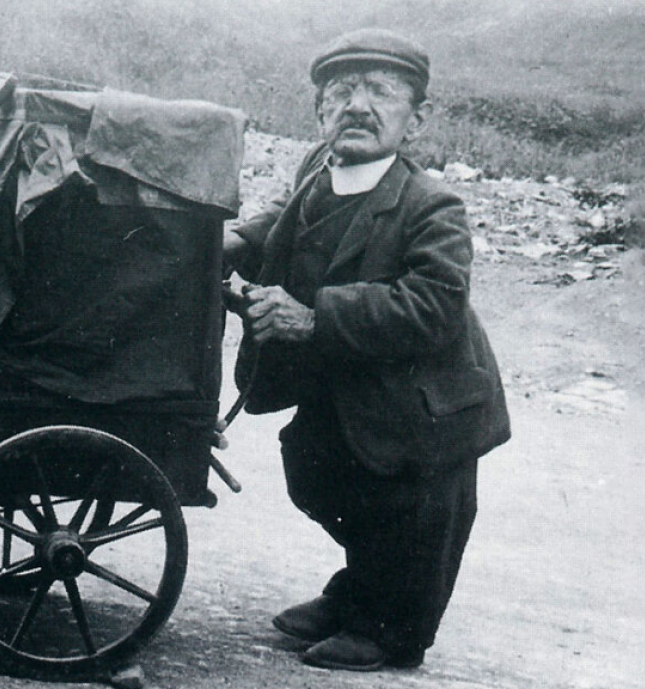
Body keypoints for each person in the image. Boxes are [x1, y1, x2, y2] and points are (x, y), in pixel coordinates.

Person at [222, 28, 511, 671]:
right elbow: (285, 220)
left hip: (426, 404)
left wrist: (314, 315)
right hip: (352, 380)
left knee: (412, 511)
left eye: (381, 92)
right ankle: (360, 590)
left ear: (414, 121)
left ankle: (393, 630)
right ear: (320, 111)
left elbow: (434, 304)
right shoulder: (319, 171)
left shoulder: (433, 205)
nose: (358, 105)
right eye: (341, 92)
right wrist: (233, 243)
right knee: (320, 472)